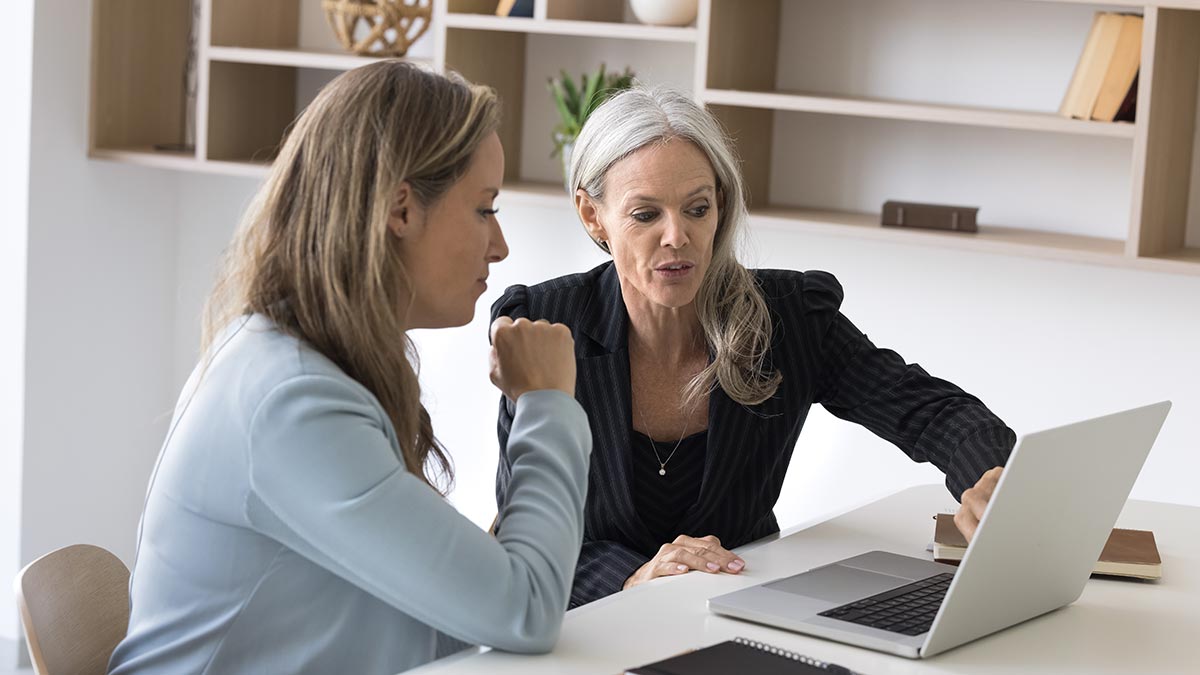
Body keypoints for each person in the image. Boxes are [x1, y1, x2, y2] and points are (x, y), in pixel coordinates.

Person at [108, 61, 591, 674]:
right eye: (484, 209)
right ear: (401, 210)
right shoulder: (293, 403)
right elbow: (526, 610)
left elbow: (446, 612)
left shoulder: (308, 363)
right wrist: (547, 403)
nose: (500, 246)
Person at [490, 86, 1013, 608]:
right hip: (591, 625)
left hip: (745, 611)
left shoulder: (790, 317)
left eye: (697, 208)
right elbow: (521, 530)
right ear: (592, 215)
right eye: (646, 215)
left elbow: (931, 412)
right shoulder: (545, 326)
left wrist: (990, 476)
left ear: (720, 204)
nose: (677, 236)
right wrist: (632, 578)